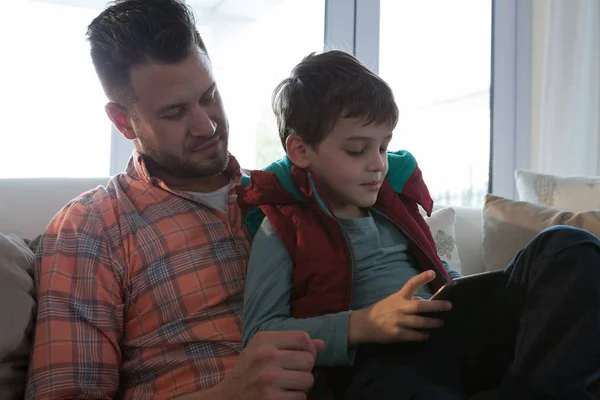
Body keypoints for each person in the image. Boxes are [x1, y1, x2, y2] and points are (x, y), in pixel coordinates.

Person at [237, 51, 600, 399]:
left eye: (383, 147)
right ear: (301, 151)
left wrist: (463, 288)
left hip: (455, 332)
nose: (378, 164)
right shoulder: (281, 228)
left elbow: (436, 273)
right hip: (384, 360)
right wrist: (364, 323)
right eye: (356, 150)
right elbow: (260, 334)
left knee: (568, 245)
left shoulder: (395, 206)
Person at [25, 1, 324, 399]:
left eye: (209, 96)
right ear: (122, 121)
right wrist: (230, 393)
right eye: (174, 113)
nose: (207, 125)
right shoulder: (91, 226)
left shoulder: (288, 191)